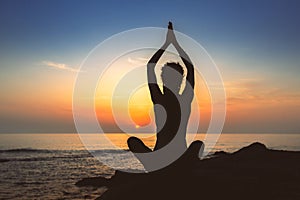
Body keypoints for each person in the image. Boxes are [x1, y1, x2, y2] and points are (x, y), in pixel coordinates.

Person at [128, 22, 195, 156]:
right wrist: (173, 44)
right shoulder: (182, 98)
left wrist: (168, 44)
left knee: (132, 142)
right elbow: (190, 68)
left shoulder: (163, 98)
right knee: (133, 142)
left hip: (166, 156)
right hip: (170, 155)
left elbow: (150, 66)